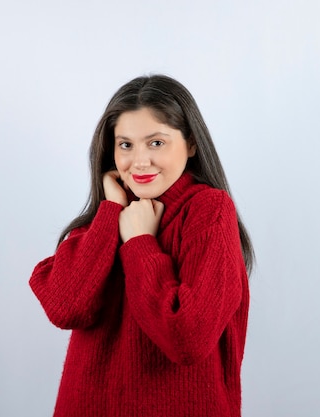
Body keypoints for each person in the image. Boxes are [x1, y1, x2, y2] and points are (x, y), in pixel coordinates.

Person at [29, 74, 254, 417]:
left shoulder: (207, 210)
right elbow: (66, 306)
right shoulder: (104, 220)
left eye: (156, 143)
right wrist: (110, 211)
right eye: (126, 144)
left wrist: (139, 243)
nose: (140, 161)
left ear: (191, 144)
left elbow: (188, 337)